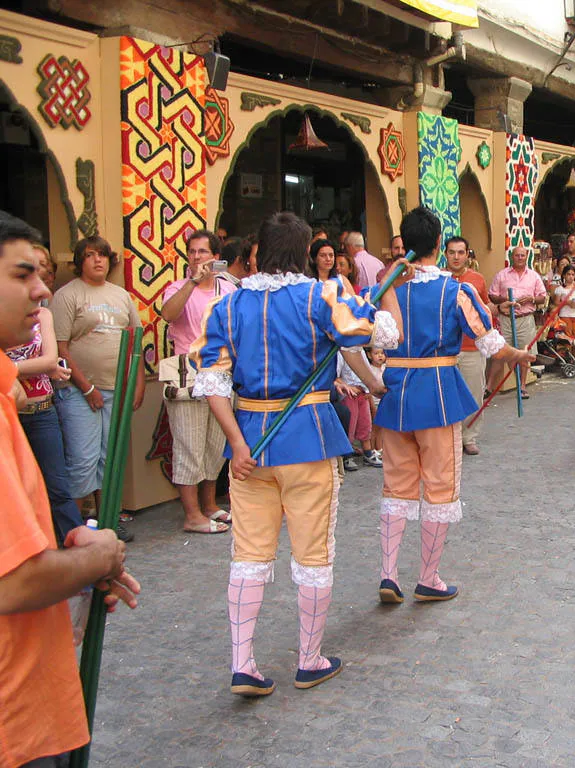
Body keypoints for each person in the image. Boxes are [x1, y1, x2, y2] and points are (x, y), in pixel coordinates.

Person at [191, 211, 405, 697]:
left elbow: (211, 382)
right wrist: (379, 299)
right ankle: (309, 658)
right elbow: (383, 335)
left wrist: (239, 444)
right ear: (305, 252)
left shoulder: (226, 306)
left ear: (258, 252)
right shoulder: (321, 295)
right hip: (307, 437)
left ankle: (242, 662)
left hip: (249, 444)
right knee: (313, 553)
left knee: (247, 555)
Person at [0, 210, 140, 768]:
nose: (40, 290)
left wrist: (72, 556)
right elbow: (13, 583)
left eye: (41, 273)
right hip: (15, 724)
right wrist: (98, 555)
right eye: (21, 274)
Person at [373, 206, 533, 605]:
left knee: (396, 485)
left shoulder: (386, 290)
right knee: (440, 485)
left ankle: (388, 573)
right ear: (440, 246)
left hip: (396, 393)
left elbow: (375, 340)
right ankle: (428, 576)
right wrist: (519, 355)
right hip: (438, 393)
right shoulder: (455, 290)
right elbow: (488, 341)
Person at [51, 235, 144, 541]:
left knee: (110, 458)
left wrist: (138, 383)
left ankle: (108, 522)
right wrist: (86, 387)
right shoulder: (67, 295)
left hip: (117, 390)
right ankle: (73, 529)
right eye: (90, 255)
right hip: (79, 392)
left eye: (103, 255)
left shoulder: (121, 296)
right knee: (82, 460)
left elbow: (135, 343)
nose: (98, 260)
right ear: (80, 261)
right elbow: (60, 348)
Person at [160, 229, 236, 534]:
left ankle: (208, 506)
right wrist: (192, 282)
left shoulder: (228, 289)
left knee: (214, 444)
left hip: (222, 372)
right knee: (189, 443)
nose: (196, 257)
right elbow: (168, 314)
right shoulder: (177, 287)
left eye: (202, 252)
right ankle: (191, 515)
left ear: (216, 257)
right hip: (188, 374)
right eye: (192, 252)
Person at [6, 244, 84, 542]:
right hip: (12, 412)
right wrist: (31, 367)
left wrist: (13, 367)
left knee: (57, 488)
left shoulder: (43, 316)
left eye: (41, 269)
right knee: (19, 492)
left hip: (42, 411)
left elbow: (50, 360)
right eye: (26, 271)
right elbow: (45, 363)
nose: (39, 284)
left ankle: (79, 558)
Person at [445, 236, 490, 456]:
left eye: (460, 252)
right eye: (452, 252)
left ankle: (469, 437)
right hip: (446, 349)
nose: (456, 257)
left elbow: (485, 310)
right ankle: (450, 438)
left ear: (467, 254)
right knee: (448, 395)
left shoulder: (477, 280)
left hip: (472, 347)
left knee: (474, 393)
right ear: (445, 254)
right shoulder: (440, 280)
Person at [488, 245, 547, 400]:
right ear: (511, 257)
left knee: (524, 354)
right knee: (501, 352)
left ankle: (522, 386)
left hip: (525, 319)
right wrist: (506, 300)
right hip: (506, 319)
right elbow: (492, 295)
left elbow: (543, 297)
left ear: (526, 256)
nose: (520, 258)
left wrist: (531, 299)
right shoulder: (502, 275)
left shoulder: (534, 276)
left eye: (522, 255)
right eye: (517, 255)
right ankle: (488, 388)